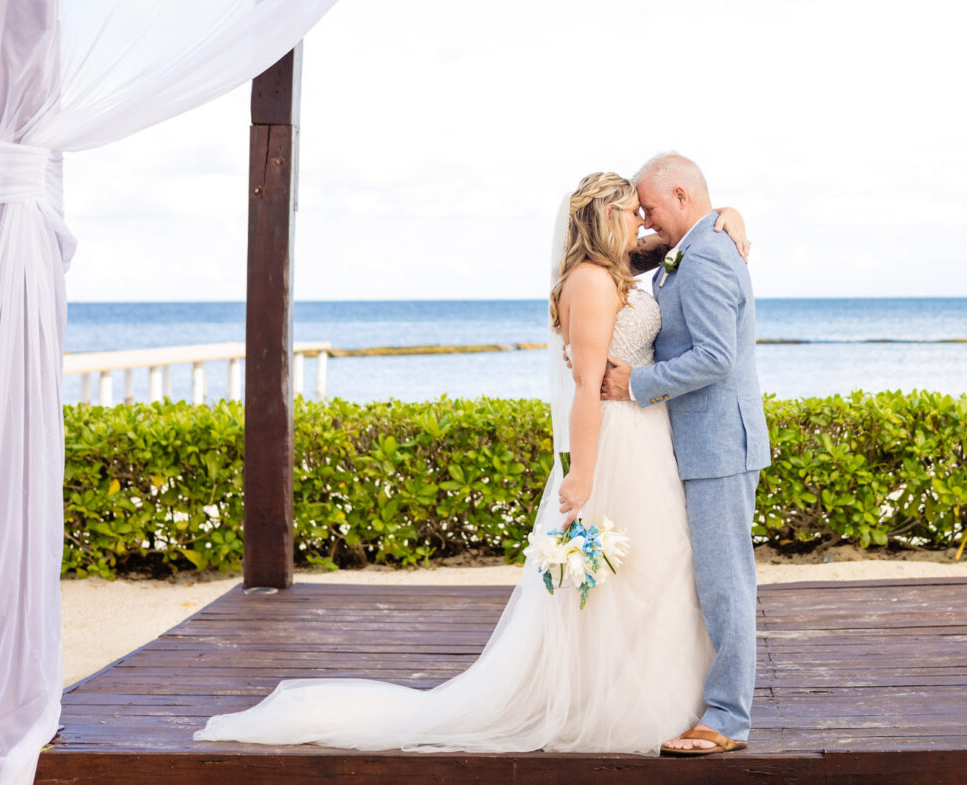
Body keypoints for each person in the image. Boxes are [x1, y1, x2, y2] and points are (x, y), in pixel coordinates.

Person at [191, 170, 752, 756]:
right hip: (618, 444)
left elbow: (679, 248)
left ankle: (672, 701)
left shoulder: (620, 271)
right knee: (630, 579)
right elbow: (588, 386)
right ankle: (618, 705)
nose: (642, 220)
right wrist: (581, 474)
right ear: (606, 217)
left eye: (646, 209)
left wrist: (726, 216)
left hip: (649, 441)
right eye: (632, 211)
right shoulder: (590, 282)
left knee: (662, 574)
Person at [600, 152, 770, 756]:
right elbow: (622, 250)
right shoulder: (692, 246)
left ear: (679, 195)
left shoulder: (705, 259)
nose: (645, 221)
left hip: (720, 444)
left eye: (650, 208)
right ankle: (713, 702)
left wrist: (633, 385)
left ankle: (727, 718)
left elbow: (717, 357)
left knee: (726, 584)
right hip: (698, 443)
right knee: (707, 581)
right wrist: (728, 211)